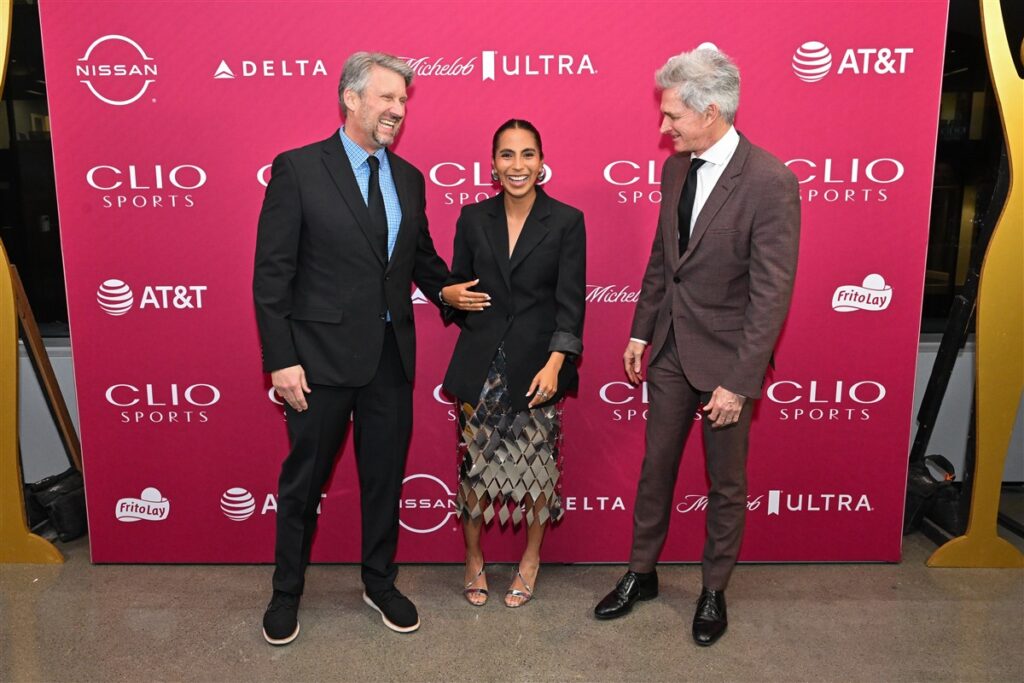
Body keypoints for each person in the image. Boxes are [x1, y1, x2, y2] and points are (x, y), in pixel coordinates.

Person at [253, 52, 481, 644]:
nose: (397, 110)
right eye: (387, 97)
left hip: (389, 358)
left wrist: (447, 291)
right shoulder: (299, 169)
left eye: (403, 100)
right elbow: (272, 276)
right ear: (351, 99)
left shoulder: (408, 178)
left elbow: (420, 259)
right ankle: (286, 592)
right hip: (317, 360)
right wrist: (281, 359)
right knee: (303, 484)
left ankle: (379, 581)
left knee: (384, 480)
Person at [593, 47, 800, 646]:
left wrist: (740, 381)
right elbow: (664, 261)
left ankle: (713, 589)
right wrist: (640, 330)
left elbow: (771, 295)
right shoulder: (675, 169)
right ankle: (641, 574)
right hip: (668, 351)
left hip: (727, 363)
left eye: (673, 116)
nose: (664, 127)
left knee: (726, 483)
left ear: (710, 111)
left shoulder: (770, 181)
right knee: (655, 469)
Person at [439, 119, 586, 608]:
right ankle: (473, 560)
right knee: (476, 469)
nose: (517, 165)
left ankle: (531, 560)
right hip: (481, 366)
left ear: (542, 163)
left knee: (537, 469)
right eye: (507, 154)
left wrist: (556, 364)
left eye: (527, 154)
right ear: (493, 164)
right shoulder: (472, 218)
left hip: (538, 369)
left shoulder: (566, 221)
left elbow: (570, 304)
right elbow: (458, 287)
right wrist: (449, 294)